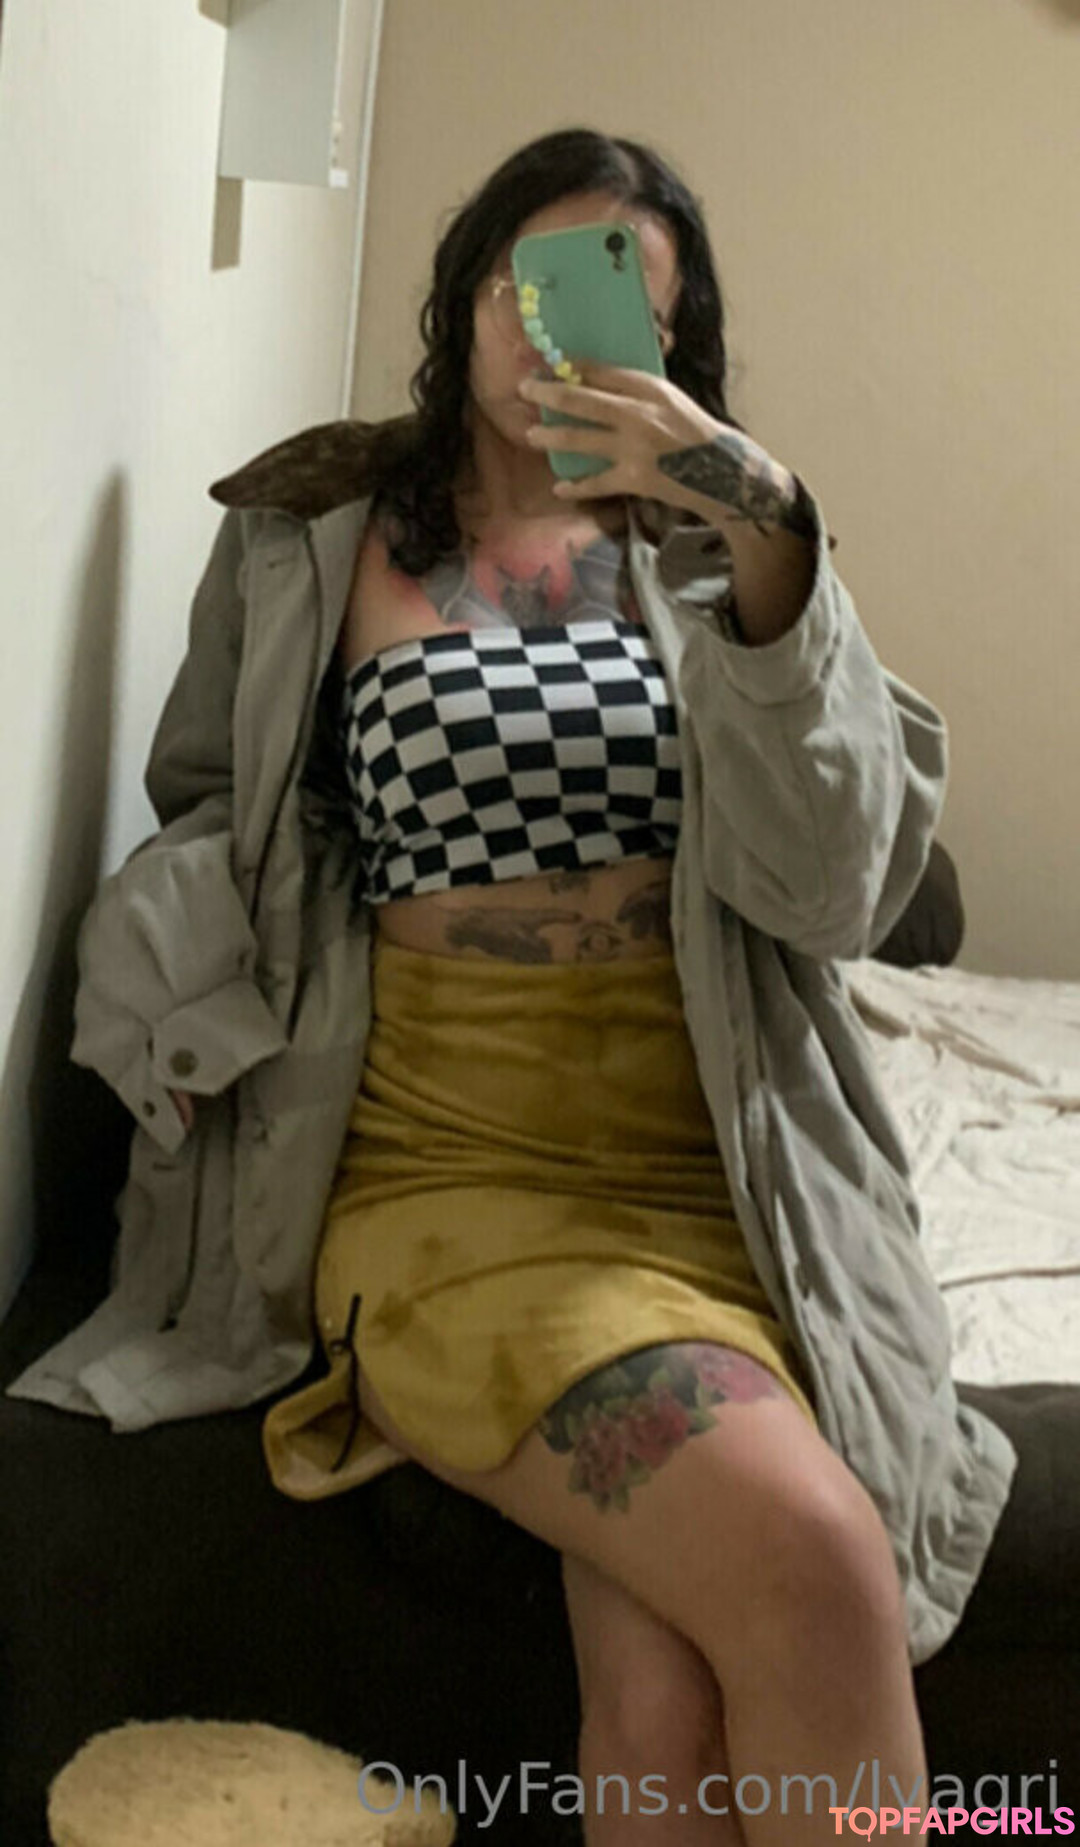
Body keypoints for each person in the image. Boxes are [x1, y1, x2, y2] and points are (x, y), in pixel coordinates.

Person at [8, 127, 1017, 1847]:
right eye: (527, 278)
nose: (557, 327)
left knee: (664, 1700)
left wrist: (769, 533)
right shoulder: (316, 537)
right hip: (447, 1173)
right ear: (468, 293)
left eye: (616, 297)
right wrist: (181, 1012)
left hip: (711, 1182)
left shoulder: (722, 562)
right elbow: (214, 815)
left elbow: (839, 891)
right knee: (819, 1559)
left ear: (672, 347)